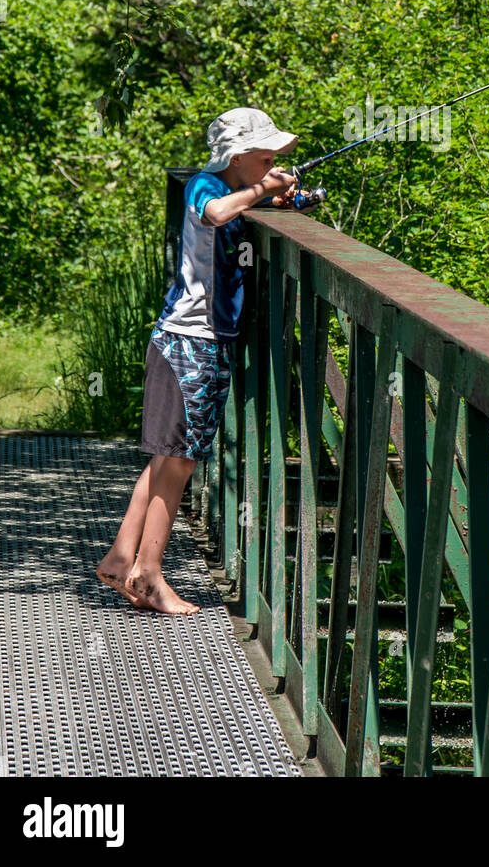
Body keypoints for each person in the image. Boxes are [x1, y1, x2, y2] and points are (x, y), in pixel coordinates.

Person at [96, 106, 301, 614]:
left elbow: (235, 220)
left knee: (168, 455)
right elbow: (213, 214)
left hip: (194, 341)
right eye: (266, 154)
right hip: (191, 342)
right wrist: (261, 192)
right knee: (182, 458)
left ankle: (123, 558)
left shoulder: (232, 189)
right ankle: (149, 574)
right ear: (236, 155)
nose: (275, 159)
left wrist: (280, 199)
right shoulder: (203, 187)